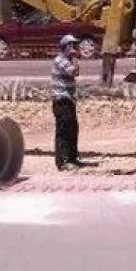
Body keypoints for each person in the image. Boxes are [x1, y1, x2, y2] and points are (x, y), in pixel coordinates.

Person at [51, 34, 83, 171]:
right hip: (62, 101)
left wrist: (75, 57)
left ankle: (72, 158)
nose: (75, 48)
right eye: (72, 45)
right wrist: (75, 57)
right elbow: (73, 72)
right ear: (66, 47)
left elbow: (76, 72)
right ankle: (63, 161)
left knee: (72, 129)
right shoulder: (60, 60)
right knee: (63, 131)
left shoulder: (68, 60)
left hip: (69, 100)